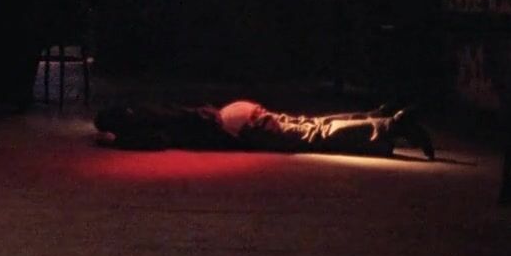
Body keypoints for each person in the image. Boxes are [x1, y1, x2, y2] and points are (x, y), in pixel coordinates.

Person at [93, 100, 436, 160]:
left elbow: (156, 141)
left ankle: (390, 125)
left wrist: (116, 142)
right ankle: (374, 116)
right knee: (307, 125)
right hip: (233, 112)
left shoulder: (142, 127)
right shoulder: (149, 108)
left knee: (310, 136)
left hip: (233, 128)